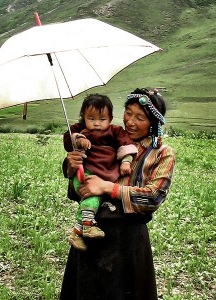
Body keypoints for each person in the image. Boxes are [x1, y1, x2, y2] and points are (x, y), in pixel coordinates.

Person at [60, 87, 175, 300]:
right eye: (128, 113)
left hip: (128, 243)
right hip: (92, 233)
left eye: (140, 117)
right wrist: (72, 167)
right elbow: (81, 192)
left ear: (154, 123)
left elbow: (153, 197)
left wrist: (106, 187)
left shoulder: (161, 153)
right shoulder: (105, 139)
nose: (130, 121)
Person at [63, 94, 138, 251]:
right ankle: (89, 227)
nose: (96, 123)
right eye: (91, 119)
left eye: (102, 119)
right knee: (92, 196)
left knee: (94, 196)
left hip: (105, 175)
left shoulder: (115, 131)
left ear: (110, 118)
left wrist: (126, 161)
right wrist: (78, 141)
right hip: (86, 172)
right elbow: (70, 139)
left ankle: (77, 232)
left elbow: (126, 144)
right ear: (83, 116)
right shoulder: (80, 130)